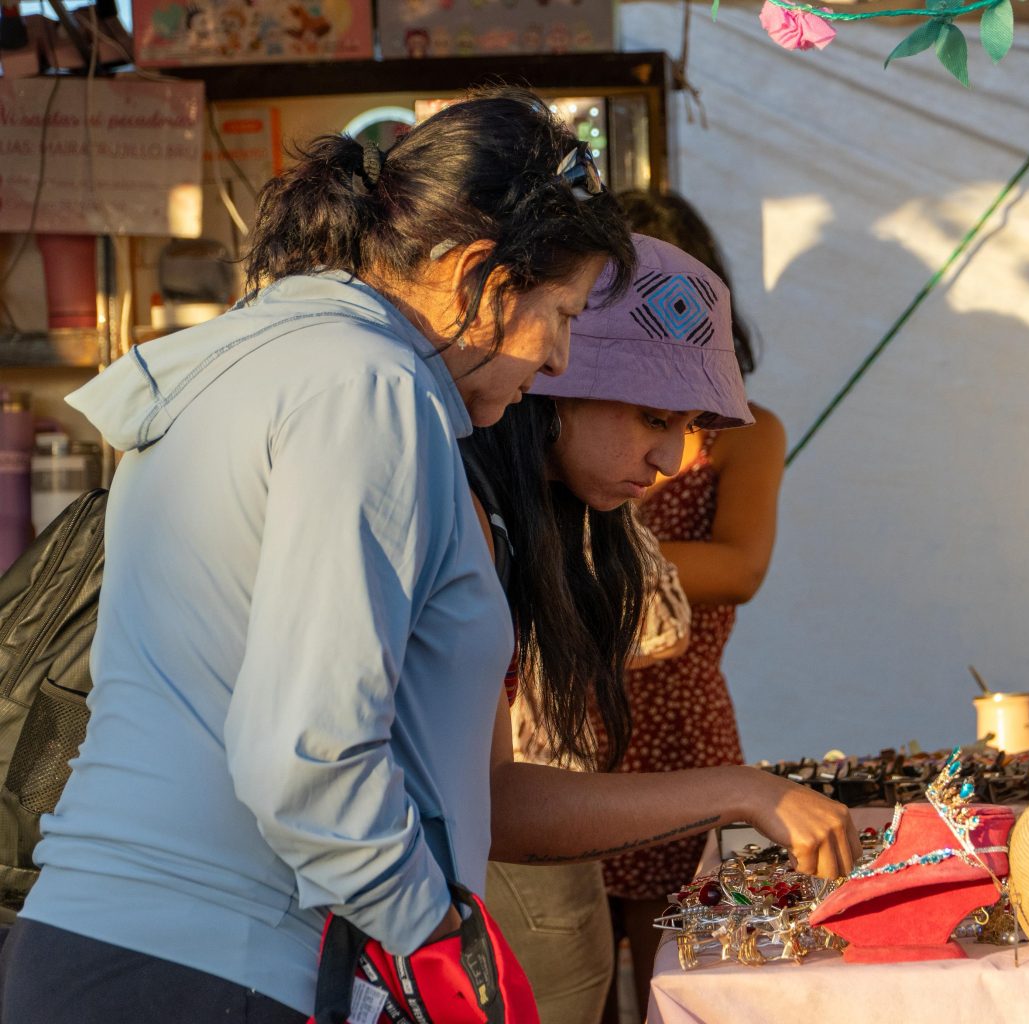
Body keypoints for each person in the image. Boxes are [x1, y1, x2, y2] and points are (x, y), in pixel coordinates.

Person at [0, 92, 856, 1022]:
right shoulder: (370, 384)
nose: (562, 360)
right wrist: (444, 952)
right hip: (212, 962)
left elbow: (437, 778)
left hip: (117, 948)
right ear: (477, 273)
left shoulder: (270, 348)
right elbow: (306, 759)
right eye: (561, 314)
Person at [459, 235, 736, 1024]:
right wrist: (734, 791)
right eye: (654, 417)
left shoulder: (531, 513)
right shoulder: (465, 508)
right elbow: (497, 799)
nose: (674, 456)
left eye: (687, 425)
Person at [600, 192, 788, 1019]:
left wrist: (584, 561)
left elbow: (740, 567)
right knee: (557, 970)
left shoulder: (746, 431)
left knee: (672, 977)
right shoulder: (568, 411)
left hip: (677, 717)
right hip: (561, 714)